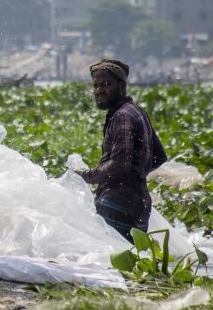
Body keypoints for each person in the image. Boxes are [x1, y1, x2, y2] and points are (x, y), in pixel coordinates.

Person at [72, 59, 167, 242]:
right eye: (96, 85)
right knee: (130, 260)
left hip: (117, 203)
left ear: (121, 86)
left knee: (110, 260)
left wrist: (87, 176)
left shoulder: (122, 116)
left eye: (107, 84)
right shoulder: (136, 111)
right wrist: (137, 175)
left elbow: (119, 165)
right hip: (139, 202)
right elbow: (159, 156)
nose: (100, 90)